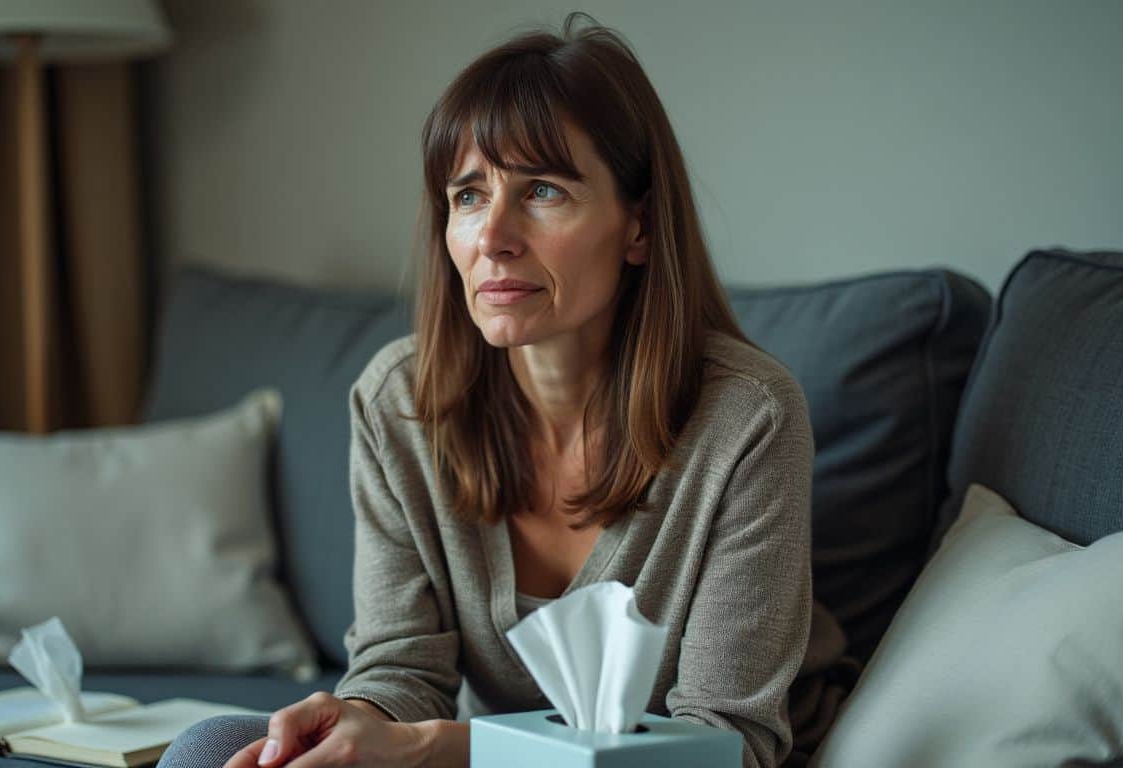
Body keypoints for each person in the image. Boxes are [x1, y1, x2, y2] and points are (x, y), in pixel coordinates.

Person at [158, 13, 851, 768]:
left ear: (639, 226)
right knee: (213, 751)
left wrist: (428, 747)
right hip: (489, 761)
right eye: (468, 195)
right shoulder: (400, 403)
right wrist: (360, 720)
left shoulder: (749, 419)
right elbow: (401, 672)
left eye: (544, 190)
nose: (493, 237)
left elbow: (728, 745)